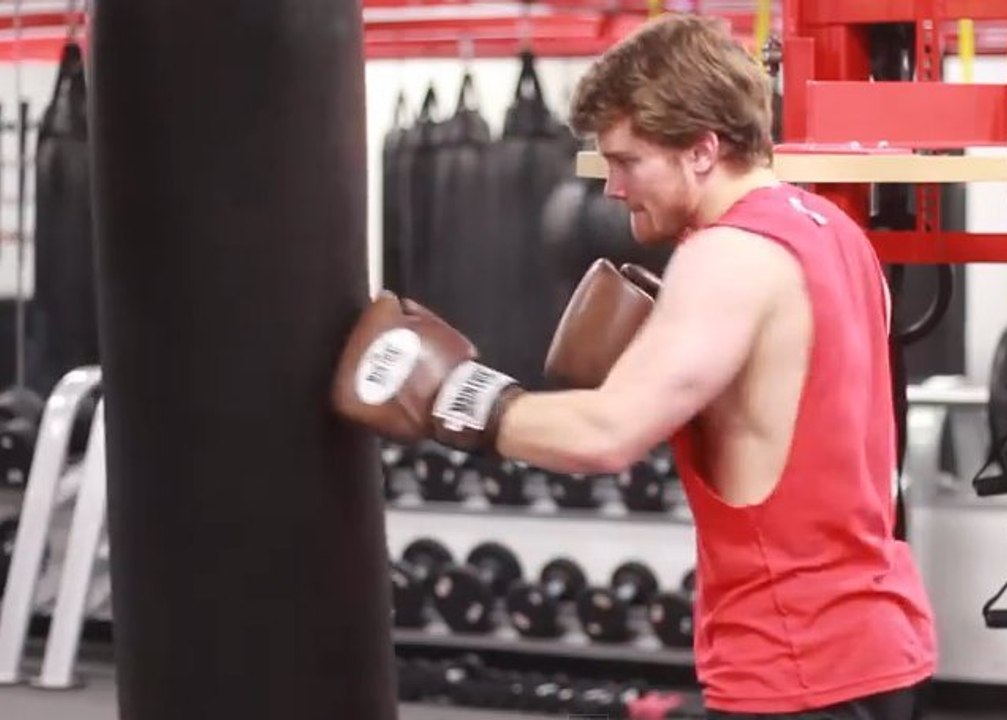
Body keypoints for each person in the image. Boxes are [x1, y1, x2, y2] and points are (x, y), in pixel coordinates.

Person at [333, 13, 937, 719]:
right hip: (876, 646)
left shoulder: (725, 257)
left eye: (628, 160)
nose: (613, 188)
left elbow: (604, 435)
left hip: (794, 664)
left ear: (703, 150)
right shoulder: (833, 231)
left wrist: (456, 398)